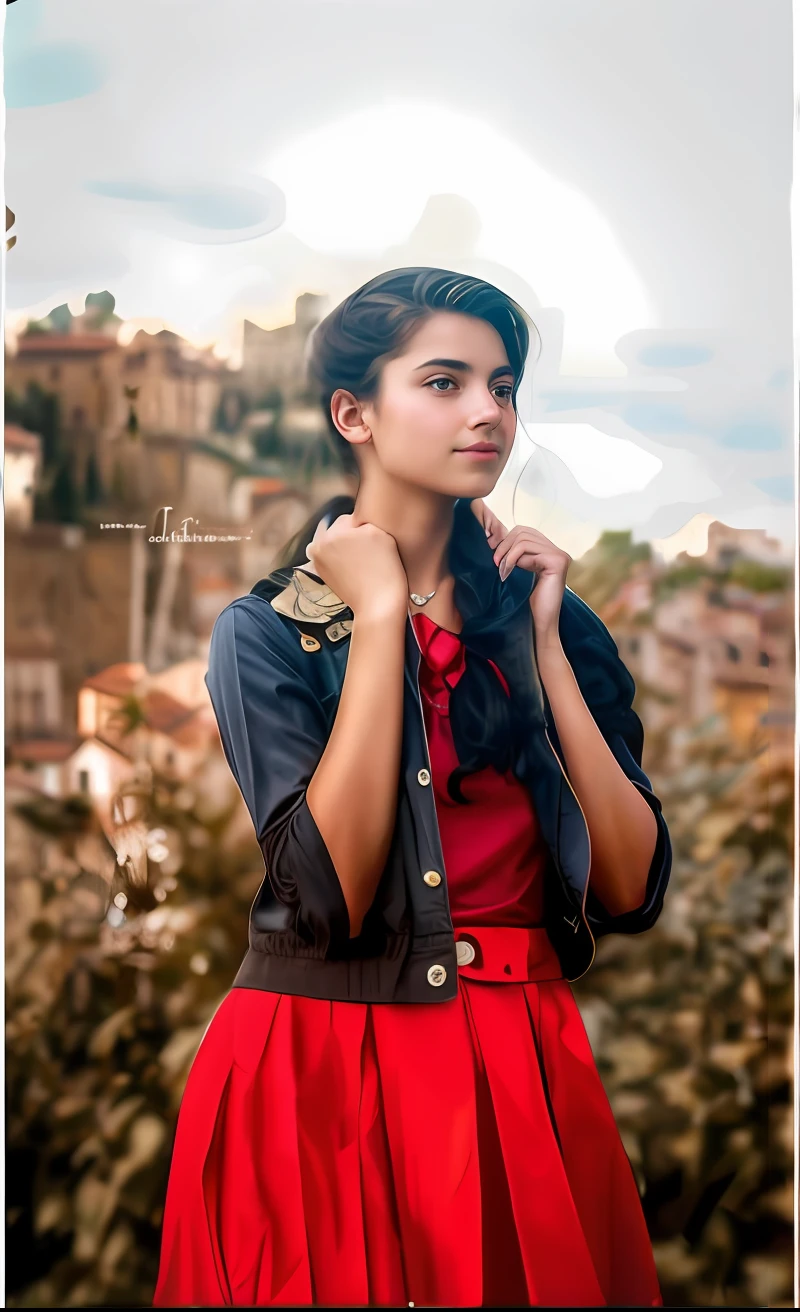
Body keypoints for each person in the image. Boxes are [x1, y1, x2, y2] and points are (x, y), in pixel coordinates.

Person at [153, 267, 671, 1309]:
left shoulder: (552, 621)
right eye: (443, 382)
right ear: (354, 413)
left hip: (521, 1069)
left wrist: (546, 648)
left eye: (502, 384)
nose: (487, 411)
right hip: (319, 1066)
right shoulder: (263, 635)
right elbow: (332, 892)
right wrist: (382, 616)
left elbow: (629, 887)